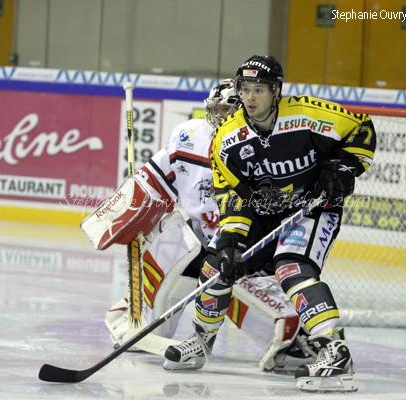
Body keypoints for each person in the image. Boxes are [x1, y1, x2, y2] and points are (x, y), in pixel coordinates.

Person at [163, 55, 376, 393]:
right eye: (245, 89)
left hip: (312, 209)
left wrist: (341, 168)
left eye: (259, 90)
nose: (250, 97)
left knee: (291, 268)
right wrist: (231, 239)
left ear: (276, 91)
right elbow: (233, 196)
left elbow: (361, 128)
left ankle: (334, 350)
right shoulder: (228, 139)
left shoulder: (307, 114)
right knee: (217, 265)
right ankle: (201, 342)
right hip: (264, 213)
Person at [103, 79, 309, 372]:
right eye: (217, 109)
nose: (221, 116)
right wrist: (132, 209)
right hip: (200, 236)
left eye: (228, 110)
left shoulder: (265, 146)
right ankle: (142, 317)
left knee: (233, 279)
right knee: (169, 241)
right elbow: (154, 179)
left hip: (243, 242)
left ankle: (290, 341)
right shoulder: (189, 135)